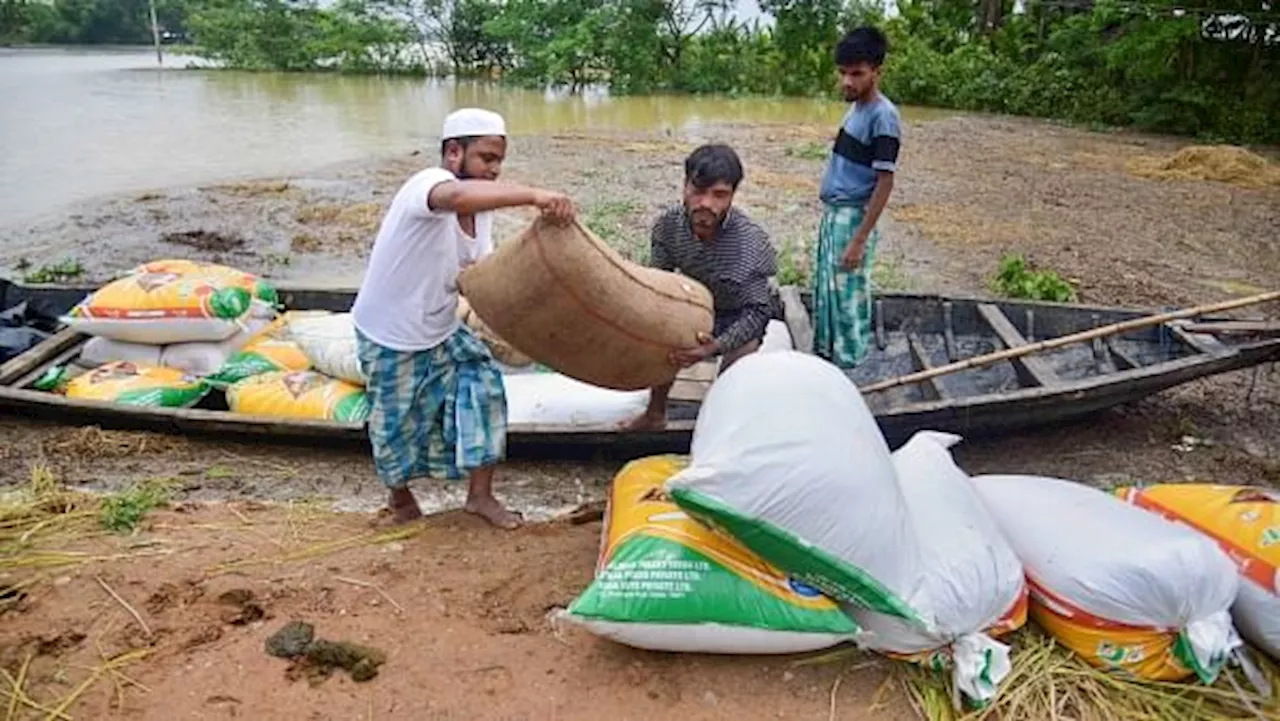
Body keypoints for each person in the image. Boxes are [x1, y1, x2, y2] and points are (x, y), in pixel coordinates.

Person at [350, 108, 575, 529]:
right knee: (395, 424)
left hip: (440, 327)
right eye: (486, 159)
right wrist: (533, 195)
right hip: (391, 332)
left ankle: (480, 496)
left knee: (485, 387)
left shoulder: (482, 210)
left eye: (499, 161)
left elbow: (476, 274)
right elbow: (453, 199)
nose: (494, 170)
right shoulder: (428, 185)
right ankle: (400, 502)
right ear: (454, 153)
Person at [621, 144, 780, 431]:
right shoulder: (667, 226)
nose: (706, 203)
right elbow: (660, 284)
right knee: (662, 337)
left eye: (719, 195)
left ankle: (723, 425)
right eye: (698, 191)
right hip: (694, 304)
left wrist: (714, 347)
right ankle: (655, 414)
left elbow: (758, 312)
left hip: (737, 313)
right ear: (684, 187)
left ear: (732, 196)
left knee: (736, 370)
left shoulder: (750, 244)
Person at [813, 26, 901, 369]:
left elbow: (885, 182)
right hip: (835, 214)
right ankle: (827, 359)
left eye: (857, 74)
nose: (847, 82)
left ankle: (851, 368)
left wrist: (859, 240)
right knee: (829, 293)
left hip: (853, 217)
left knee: (849, 299)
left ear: (877, 72)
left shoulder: (883, 117)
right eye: (843, 73)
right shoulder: (857, 108)